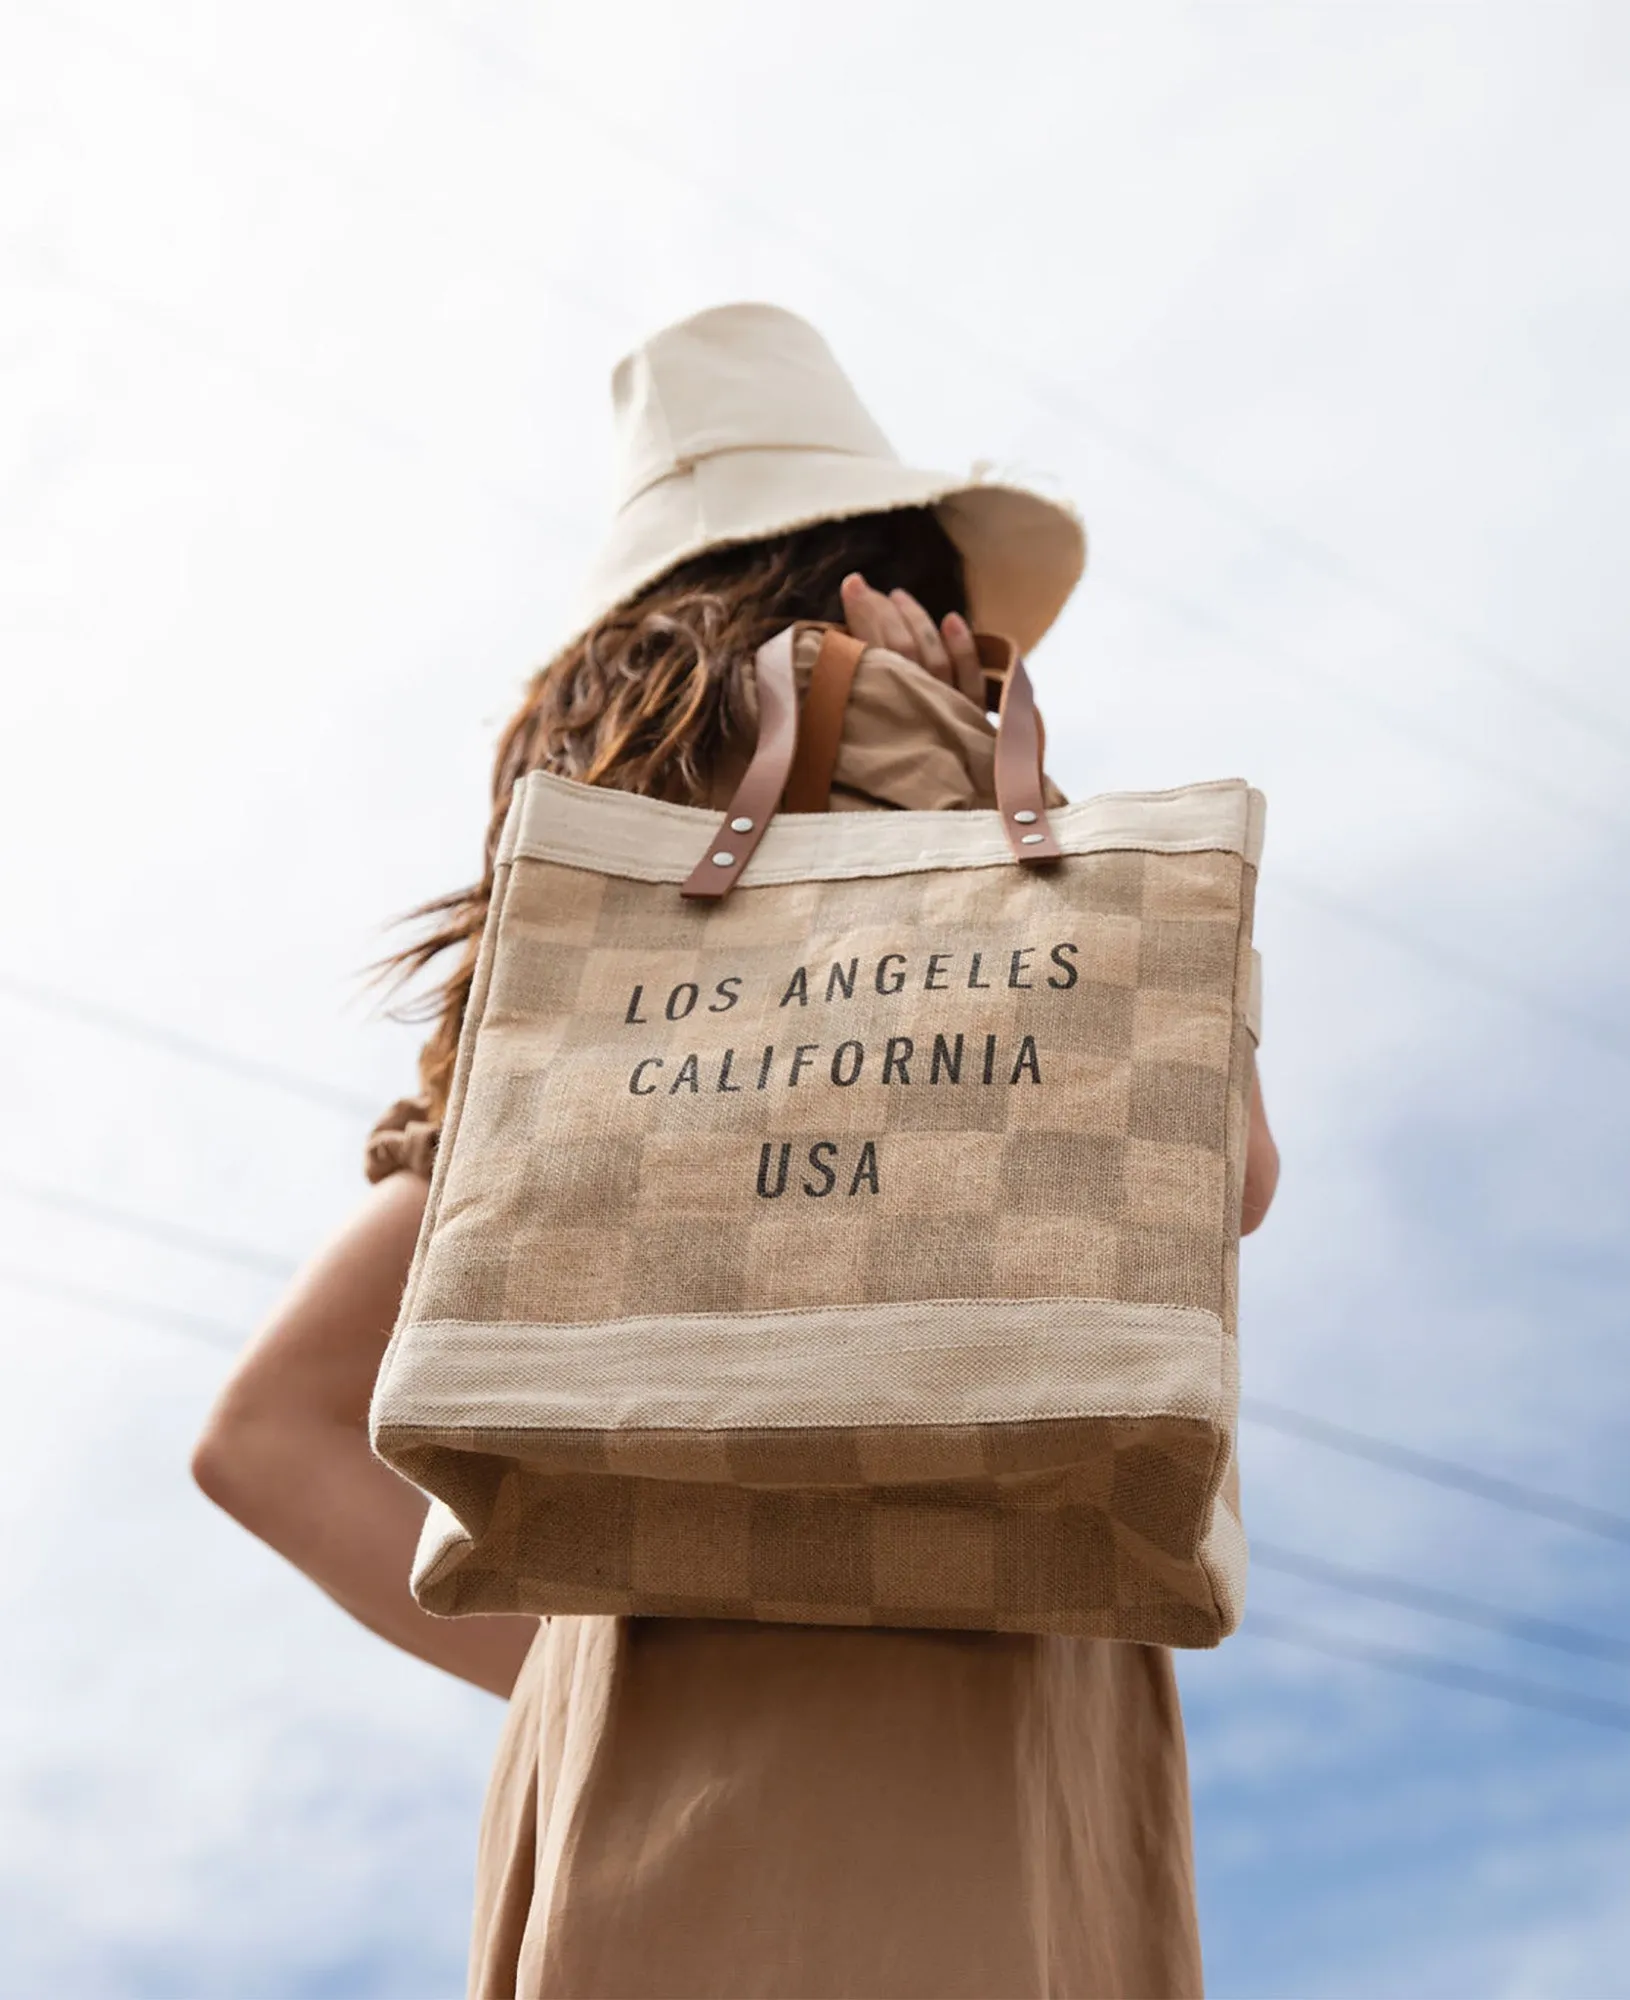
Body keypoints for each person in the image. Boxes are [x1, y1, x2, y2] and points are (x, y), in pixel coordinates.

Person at [192, 303, 1280, 2000]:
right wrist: (946, 763)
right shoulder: (950, 818)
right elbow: (1224, 1183)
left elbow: (262, 1432)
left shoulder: (582, 971)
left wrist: (603, 1618)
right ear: (880, 576)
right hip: (959, 1708)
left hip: (643, 1740)